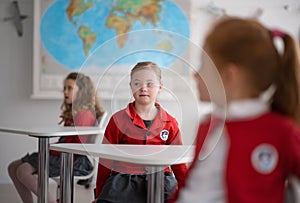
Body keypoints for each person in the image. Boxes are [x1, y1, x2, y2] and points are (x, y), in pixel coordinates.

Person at [169, 17, 300, 203]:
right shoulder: (209, 125)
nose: (195, 74)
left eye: (203, 65)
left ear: (230, 76)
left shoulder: (281, 131)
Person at [94, 61, 187, 203]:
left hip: (161, 179)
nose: (143, 88)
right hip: (124, 179)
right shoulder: (118, 120)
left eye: (150, 84)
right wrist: (99, 193)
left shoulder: (170, 122)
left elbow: (178, 162)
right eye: (137, 83)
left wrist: (186, 191)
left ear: (160, 86)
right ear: (131, 86)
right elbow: (105, 161)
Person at [7, 72, 105, 203]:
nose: (65, 92)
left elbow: (73, 145)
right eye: (64, 88)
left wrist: (49, 148)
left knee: (22, 171)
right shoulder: (75, 113)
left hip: (72, 159)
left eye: (70, 88)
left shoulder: (84, 115)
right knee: (13, 167)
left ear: (82, 91)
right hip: (62, 154)